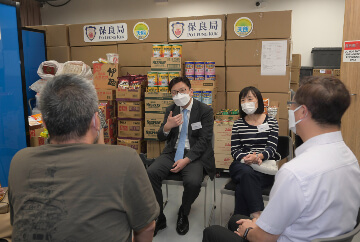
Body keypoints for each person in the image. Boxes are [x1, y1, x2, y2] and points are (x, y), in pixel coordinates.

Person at [203, 76, 360, 242]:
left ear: (303, 112)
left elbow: (263, 237)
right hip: (322, 233)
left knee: (212, 232)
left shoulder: (294, 173)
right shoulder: (351, 160)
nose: (290, 110)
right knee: (236, 218)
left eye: (291, 105)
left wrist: (249, 229)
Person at [8, 74, 159, 242]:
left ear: (43, 121)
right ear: (96, 120)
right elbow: (147, 227)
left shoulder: (20, 161)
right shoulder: (125, 160)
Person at [147, 76, 215, 236]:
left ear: (191, 91)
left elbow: (204, 140)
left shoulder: (205, 110)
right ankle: (159, 217)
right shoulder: (171, 109)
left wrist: (187, 159)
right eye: (174, 92)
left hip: (194, 155)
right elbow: (160, 137)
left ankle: (184, 212)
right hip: (172, 152)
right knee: (151, 173)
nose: (179, 95)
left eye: (182, 90)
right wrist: (167, 127)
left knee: (193, 182)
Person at [230, 86, 280, 219]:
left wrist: (258, 157)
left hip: (263, 167)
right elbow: (234, 150)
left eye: (249, 99)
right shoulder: (238, 124)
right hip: (242, 165)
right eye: (242, 100)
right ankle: (257, 216)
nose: (246, 102)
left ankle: (240, 222)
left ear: (258, 100)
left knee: (243, 185)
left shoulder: (271, 122)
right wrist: (248, 159)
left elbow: (272, 147)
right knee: (247, 173)